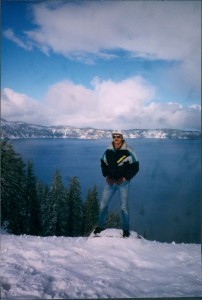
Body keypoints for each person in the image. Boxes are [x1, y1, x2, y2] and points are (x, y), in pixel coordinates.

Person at [94, 130, 139, 238]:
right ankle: (100, 226)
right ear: (112, 138)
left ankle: (125, 230)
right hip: (110, 183)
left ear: (122, 138)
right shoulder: (108, 150)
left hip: (123, 183)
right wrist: (106, 175)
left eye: (118, 136)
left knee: (124, 207)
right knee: (103, 205)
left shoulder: (128, 150)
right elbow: (103, 163)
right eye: (114, 136)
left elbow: (135, 166)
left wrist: (125, 178)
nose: (116, 138)